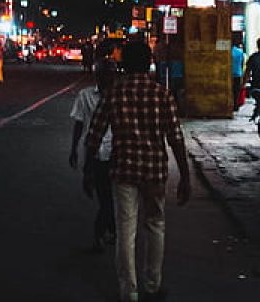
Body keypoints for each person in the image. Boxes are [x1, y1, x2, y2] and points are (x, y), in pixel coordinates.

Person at [84, 39, 191, 302]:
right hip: (154, 170)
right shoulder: (162, 94)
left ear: (123, 65)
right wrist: (185, 176)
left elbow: (94, 136)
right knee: (155, 225)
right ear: (149, 64)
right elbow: (176, 139)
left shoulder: (114, 94)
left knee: (125, 230)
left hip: (123, 171)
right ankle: (153, 285)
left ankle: (128, 291)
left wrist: (88, 170)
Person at [70, 60, 116, 251]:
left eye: (111, 74)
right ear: (97, 76)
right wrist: (73, 149)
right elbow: (79, 123)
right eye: (103, 74)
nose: (107, 78)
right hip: (95, 153)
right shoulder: (86, 96)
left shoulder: (120, 96)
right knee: (105, 197)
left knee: (116, 197)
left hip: (118, 153)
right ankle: (105, 230)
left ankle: (107, 230)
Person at [230, 33, 246, 111]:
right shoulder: (240, 52)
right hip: (238, 73)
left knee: (229, 90)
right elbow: (242, 63)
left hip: (229, 74)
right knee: (236, 91)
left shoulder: (228, 52)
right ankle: (236, 105)